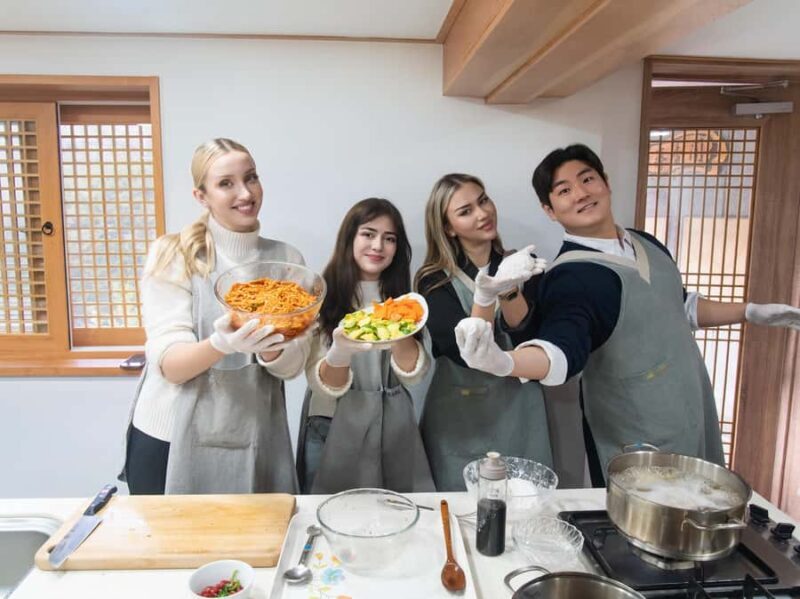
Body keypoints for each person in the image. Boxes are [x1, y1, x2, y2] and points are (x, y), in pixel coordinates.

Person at [456, 144, 800, 485]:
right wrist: (504, 362)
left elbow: (678, 307)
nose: (580, 194)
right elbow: (562, 350)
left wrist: (750, 312)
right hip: (638, 435)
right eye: (564, 191)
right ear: (550, 210)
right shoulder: (570, 276)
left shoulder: (646, 242)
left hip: (693, 406)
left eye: (587, 179)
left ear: (605, 181)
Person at [121, 138, 312, 495]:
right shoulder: (173, 254)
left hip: (255, 434)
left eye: (251, 177)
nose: (245, 192)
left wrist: (270, 349)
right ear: (201, 196)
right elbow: (171, 366)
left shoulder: (286, 261)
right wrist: (222, 343)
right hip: (169, 438)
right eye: (226, 183)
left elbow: (292, 366)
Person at [415, 173, 553, 491]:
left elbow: (529, 339)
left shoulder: (522, 264)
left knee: (526, 507)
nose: (482, 213)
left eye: (483, 200)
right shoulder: (433, 281)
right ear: (448, 227)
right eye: (466, 211)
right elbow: (467, 353)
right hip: (461, 417)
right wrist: (486, 294)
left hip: (521, 410)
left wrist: (507, 289)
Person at [296, 198, 435, 494]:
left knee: (394, 516)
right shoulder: (319, 296)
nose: (378, 246)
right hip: (330, 424)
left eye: (389, 239)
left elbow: (414, 373)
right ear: (350, 237)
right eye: (368, 234)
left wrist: (399, 325)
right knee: (328, 515)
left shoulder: (407, 302)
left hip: (393, 426)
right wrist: (341, 351)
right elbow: (323, 385)